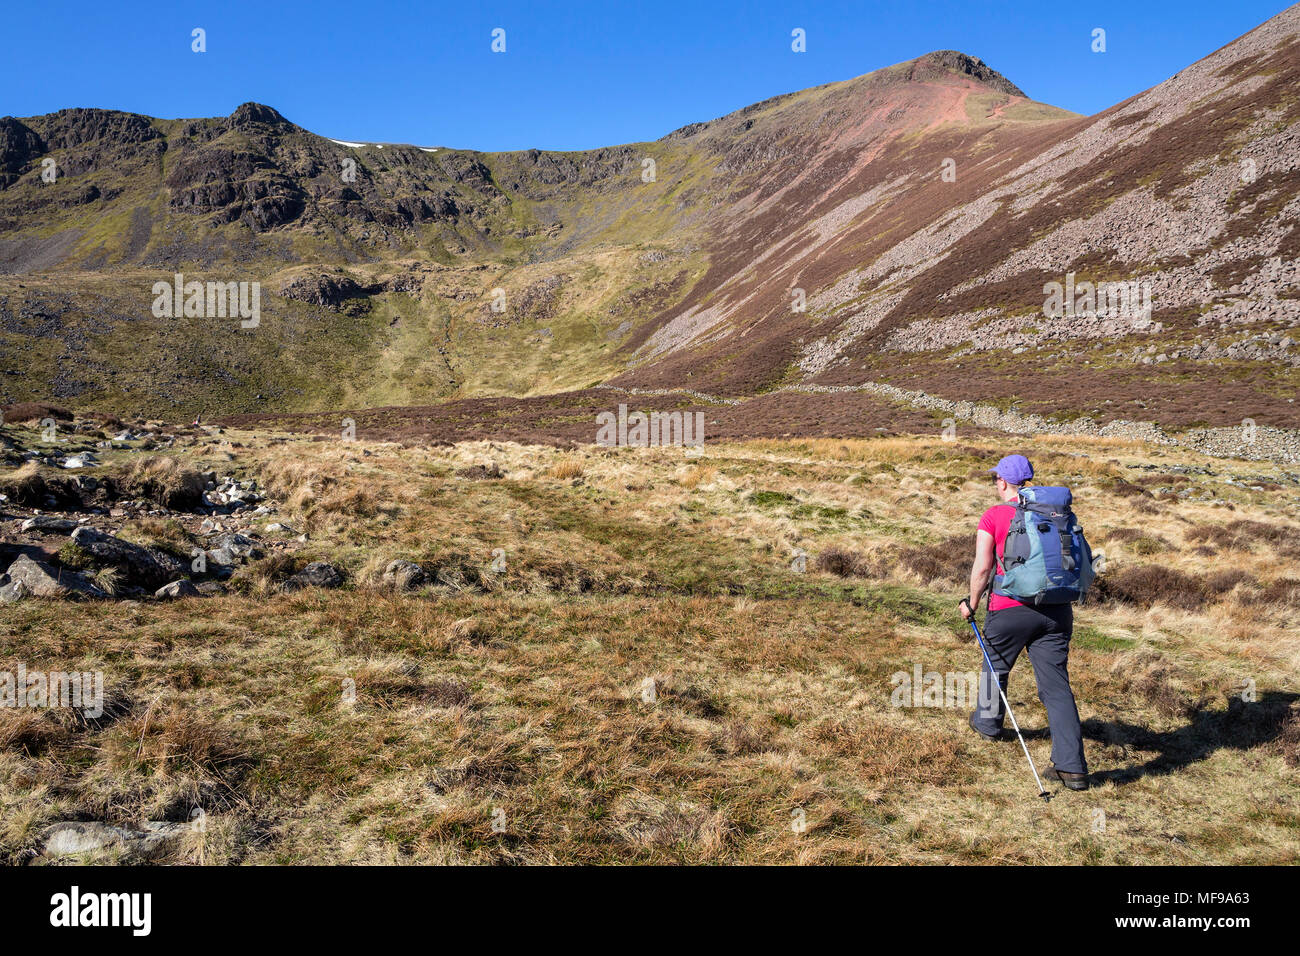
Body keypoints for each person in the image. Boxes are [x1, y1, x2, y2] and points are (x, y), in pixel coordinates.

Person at [959, 454, 1089, 791]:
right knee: (1056, 686)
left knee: (995, 665)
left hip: (1009, 608)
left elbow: (984, 567)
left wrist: (971, 603)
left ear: (1002, 481)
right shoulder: (1056, 514)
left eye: (996, 479)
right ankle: (1072, 768)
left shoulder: (994, 515)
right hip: (1057, 610)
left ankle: (988, 726)